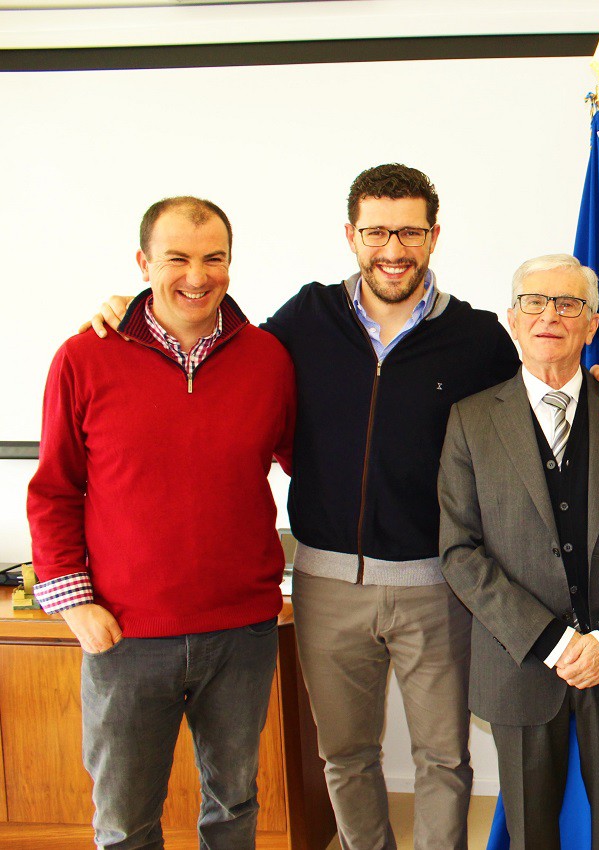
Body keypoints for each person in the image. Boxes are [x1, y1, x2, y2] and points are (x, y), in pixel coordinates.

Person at [88, 163, 599, 850]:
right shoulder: (305, 319)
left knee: (444, 759)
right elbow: (216, 346)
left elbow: (542, 389)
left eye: (409, 231)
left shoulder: (475, 337)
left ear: (433, 237)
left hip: (439, 586)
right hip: (326, 586)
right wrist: (133, 308)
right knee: (345, 758)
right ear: (350, 235)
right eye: (376, 230)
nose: (393, 248)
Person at [29, 197, 296, 849]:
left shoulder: (268, 359)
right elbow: (55, 490)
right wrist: (74, 604)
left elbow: (316, 466)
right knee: (124, 819)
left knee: (233, 804)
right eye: (177, 258)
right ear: (143, 261)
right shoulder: (83, 356)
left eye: (214, 258)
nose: (197, 276)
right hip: (124, 634)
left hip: (241, 630)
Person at [437, 254, 599, 850]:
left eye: (569, 303)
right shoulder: (471, 421)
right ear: (512, 320)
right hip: (522, 663)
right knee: (529, 834)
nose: (551, 314)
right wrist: (551, 641)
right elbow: (459, 551)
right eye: (535, 302)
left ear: (592, 324)